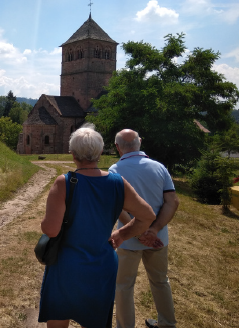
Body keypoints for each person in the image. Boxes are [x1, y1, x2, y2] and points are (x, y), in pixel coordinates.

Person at [38, 123, 156, 328]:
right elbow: (147, 216)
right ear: (100, 152)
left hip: (66, 265)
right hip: (102, 264)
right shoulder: (117, 182)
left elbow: (51, 230)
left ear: (72, 154)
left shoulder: (64, 183)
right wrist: (121, 234)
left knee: (58, 318)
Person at [109, 129, 179, 328]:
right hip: (158, 239)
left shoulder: (115, 170)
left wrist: (137, 230)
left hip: (128, 239)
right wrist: (154, 230)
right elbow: (172, 201)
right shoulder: (159, 167)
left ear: (117, 147)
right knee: (160, 281)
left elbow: (117, 206)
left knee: (123, 286)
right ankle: (167, 324)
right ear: (139, 142)